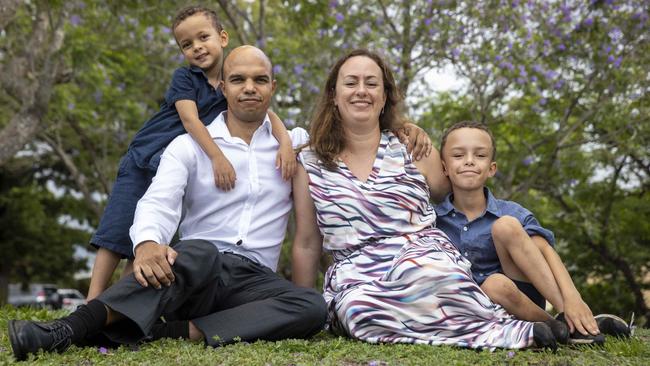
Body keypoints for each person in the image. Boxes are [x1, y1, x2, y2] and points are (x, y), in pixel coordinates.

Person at [8, 46, 328, 362]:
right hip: (195, 274)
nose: (249, 88)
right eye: (238, 79)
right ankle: (66, 329)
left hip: (253, 285)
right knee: (200, 251)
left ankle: (168, 333)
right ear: (223, 86)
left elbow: (340, 140)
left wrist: (285, 138)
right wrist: (147, 242)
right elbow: (159, 201)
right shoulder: (188, 146)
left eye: (260, 80)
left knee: (312, 306)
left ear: (273, 87)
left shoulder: (296, 143)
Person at [291, 49, 566, 350]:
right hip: (359, 275)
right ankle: (517, 331)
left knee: (435, 277)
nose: (361, 91)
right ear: (333, 94)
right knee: (357, 311)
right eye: (351, 82)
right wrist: (305, 314)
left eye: (371, 83)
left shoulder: (411, 147)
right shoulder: (310, 162)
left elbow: (467, 193)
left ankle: (521, 331)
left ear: (385, 97)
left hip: (423, 260)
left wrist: (522, 230)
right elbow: (306, 242)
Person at [87, 5, 296, 300]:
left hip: (174, 170)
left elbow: (268, 113)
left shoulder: (233, 80)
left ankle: (124, 302)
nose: (197, 48)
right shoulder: (185, 79)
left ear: (222, 38)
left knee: (153, 239)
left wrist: (285, 143)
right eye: (187, 44)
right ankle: (92, 300)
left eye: (203, 38)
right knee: (118, 232)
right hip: (145, 161)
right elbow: (190, 121)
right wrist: (217, 157)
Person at [434, 121, 631, 343]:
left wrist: (573, 299)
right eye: (458, 155)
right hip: (475, 310)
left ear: (492, 168)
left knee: (506, 227)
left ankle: (572, 315)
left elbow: (544, 250)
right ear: (444, 168)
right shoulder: (433, 219)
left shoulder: (511, 212)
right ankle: (557, 326)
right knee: (494, 284)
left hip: (522, 298)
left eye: (480, 155)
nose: (469, 161)